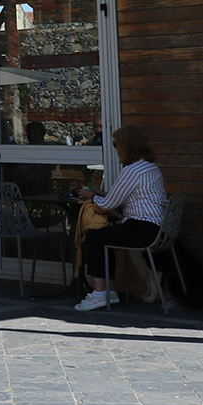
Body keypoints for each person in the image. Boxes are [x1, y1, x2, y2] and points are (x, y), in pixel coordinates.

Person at [75, 125, 168, 312]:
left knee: (95, 238)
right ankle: (107, 291)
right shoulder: (150, 167)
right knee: (105, 236)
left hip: (142, 229)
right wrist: (99, 193)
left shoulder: (131, 171)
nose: (115, 148)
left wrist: (91, 196)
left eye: (116, 144)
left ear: (126, 146)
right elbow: (122, 197)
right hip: (158, 229)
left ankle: (100, 293)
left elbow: (108, 204)